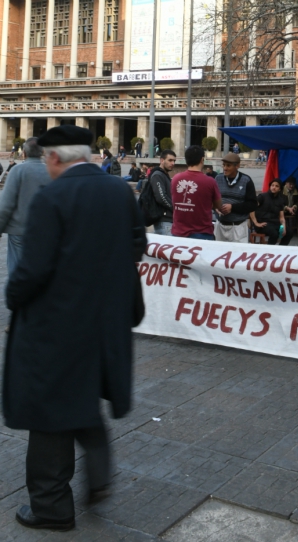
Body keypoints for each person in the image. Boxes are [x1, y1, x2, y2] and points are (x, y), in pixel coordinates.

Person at [3, 124, 146, 532]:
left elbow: (32, 270)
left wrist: (14, 298)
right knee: (79, 393)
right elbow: (138, 245)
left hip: (57, 324)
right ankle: (98, 473)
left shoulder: (53, 196)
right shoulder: (119, 189)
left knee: (48, 409)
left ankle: (50, 506)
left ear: (53, 158)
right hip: (106, 320)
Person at [0, 137, 53, 276]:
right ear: (42, 152)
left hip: (19, 231)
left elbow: (5, 204)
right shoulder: (51, 172)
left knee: (17, 269)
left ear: (24, 152)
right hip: (44, 231)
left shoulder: (17, 171)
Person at [171, 145, 222, 240]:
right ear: (202, 159)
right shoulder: (210, 181)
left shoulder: (175, 179)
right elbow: (218, 205)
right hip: (202, 234)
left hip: (178, 233)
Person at [214, 152, 257, 243]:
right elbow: (211, 198)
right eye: (224, 165)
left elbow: (252, 204)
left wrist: (232, 208)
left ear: (237, 166)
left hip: (238, 227)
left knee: (238, 255)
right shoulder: (218, 178)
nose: (225, 168)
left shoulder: (246, 180)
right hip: (220, 226)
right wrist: (216, 207)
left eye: (228, 165)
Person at [251, 179, 292, 245]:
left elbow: (281, 217)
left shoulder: (280, 200)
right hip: (262, 223)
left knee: (289, 232)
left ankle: (280, 250)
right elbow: (251, 208)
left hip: (274, 223)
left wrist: (284, 226)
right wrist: (256, 223)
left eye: (276, 186)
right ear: (270, 187)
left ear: (280, 189)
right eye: (272, 185)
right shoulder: (262, 196)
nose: (274, 187)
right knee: (274, 234)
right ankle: (269, 251)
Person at [150, 150, 176, 235]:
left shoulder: (164, 175)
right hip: (164, 221)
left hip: (167, 220)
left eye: (174, 161)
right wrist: (175, 209)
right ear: (162, 160)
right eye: (170, 160)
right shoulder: (158, 175)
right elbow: (161, 197)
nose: (173, 163)